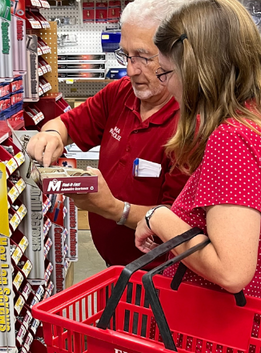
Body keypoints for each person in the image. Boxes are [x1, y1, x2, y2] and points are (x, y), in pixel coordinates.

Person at [135, 0, 261, 303]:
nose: (166, 85)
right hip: (255, 318)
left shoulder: (233, 139)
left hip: (222, 333)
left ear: (196, 70)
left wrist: (158, 217)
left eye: (165, 72)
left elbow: (231, 271)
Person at [25, 0, 189, 267]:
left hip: (157, 276)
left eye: (144, 57)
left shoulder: (189, 121)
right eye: (126, 55)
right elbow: (67, 125)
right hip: (114, 268)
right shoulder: (120, 93)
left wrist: (112, 208)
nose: (132, 69)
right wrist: (52, 134)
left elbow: (177, 222)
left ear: (173, 54)